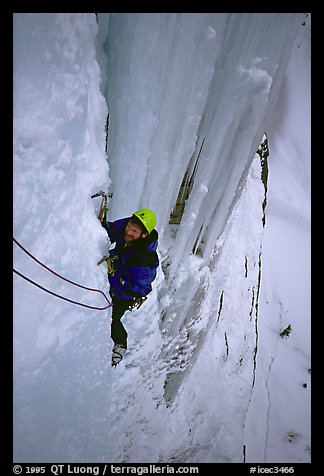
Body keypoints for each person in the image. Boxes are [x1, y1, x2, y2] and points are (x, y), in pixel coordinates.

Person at [101, 208, 159, 367]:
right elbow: (111, 230)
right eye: (129, 227)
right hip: (117, 267)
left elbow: (142, 289)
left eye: (134, 231)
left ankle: (121, 343)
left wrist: (120, 282)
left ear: (144, 235)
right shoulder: (130, 225)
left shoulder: (144, 261)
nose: (129, 231)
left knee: (112, 318)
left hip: (126, 293)